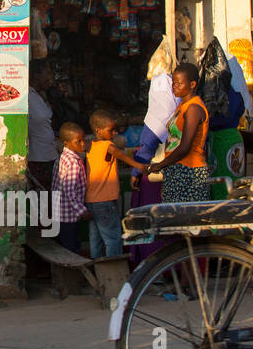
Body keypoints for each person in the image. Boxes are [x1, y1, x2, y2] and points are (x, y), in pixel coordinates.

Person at [129, 38, 179, 266]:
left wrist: (134, 172)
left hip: (154, 176)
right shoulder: (181, 110)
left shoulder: (157, 116)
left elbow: (147, 146)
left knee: (152, 221)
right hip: (175, 172)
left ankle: (152, 266)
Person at [84, 110, 146, 259]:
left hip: (91, 200)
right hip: (105, 201)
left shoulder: (90, 146)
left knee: (96, 239)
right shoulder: (107, 146)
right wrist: (140, 166)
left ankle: (98, 270)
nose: (114, 133)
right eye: (110, 130)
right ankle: (114, 271)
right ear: (98, 130)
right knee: (113, 239)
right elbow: (122, 155)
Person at [150, 63, 210, 203]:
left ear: (192, 84)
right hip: (176, 169)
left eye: (179, 83)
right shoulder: (182, 106)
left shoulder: (194, 108)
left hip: (189, 172)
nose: (174, 87)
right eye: (173, 83)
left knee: (187, 219)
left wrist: (160, 164)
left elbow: (184, 148)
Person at [52, 123, 90, 254]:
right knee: (72, 249)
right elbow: (69, 192)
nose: (83, 144)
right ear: (66, 143)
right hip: (69, 215)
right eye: (78, 142)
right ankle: (72, 274)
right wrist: (82, 211)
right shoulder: (73, 163)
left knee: (63, 248)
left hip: (59, 213)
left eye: (83, 140)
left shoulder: (62, 158)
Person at [26, 59, 59, 193]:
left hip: (50, 156)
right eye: (47, 73)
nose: (49, 78)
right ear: (36, 75)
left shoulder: (41, 95)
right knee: (43, 202)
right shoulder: (28, 95)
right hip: (38, 160)